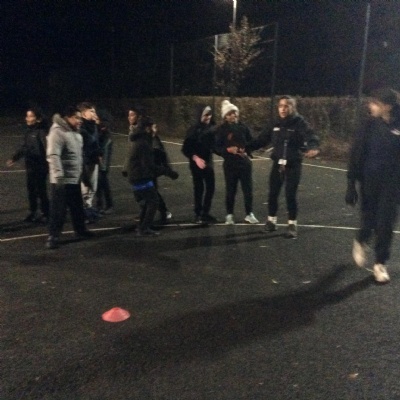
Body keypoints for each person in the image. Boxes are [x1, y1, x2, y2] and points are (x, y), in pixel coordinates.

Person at [346, 88, 400, 283]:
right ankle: (361, 240)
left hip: (392, 185)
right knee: (368, 221)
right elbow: (356, 154)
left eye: (375, 103)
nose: (371, 106)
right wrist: (351, 183)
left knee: (386, 223)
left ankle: (380, 263)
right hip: (369, 182)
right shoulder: (368, 125)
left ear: (388, 106)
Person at [249, 95, 320, 238]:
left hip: (293, 164)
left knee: (290, 194)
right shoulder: (274, 123)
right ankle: (271, 221)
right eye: (280, 106)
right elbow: (262, 139)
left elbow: (311, 136)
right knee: (273, 193)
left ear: (293, 107)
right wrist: (246, 148)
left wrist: (313, 147)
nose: (283, 109)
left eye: (286, 106)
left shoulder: (299, 123)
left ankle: (292, 225)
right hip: (277, 164)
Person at [122, 117, 179, 236]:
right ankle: (144, 228)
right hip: (140, 177)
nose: (155, 130)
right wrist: (168, 172)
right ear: (147, 129)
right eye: (154, 127)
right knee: (153, 201)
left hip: (137, 176)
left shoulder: (140, 140)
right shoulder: (144, 143)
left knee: (148, 202)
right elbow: (149, 165)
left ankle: (142, 227)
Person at [46, 106, 93, 249]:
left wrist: (84, 176)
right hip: (61, 180)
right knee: (58, 210)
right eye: (76, 118)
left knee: (77, 207)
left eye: (80, 118)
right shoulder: (57, 132)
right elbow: (53, 155)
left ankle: (80, 230)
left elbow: (78, 157)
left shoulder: (76, 133)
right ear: (67, 117)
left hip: (74, 178)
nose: (80, 120)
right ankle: (53, 236)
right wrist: (59, 177)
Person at [215, 99, 259, 225]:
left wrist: (247, 151)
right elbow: (216, 147)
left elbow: (251, 142)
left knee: (248, 190)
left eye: (234, 113)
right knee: (230, 190)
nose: (232, 115)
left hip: (244, 163)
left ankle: (249, 214)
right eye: (229, 114)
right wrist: (227, 150)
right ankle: (229, 215)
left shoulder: (243, 127)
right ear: (225, 116)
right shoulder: (221, 129)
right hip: (230, 164)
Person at [6, 107, 49, 222]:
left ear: (38, 119)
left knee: (41, 190)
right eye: (27, 116)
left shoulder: (41, 132)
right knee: (31, 190)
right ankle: (33, 212)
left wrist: (48, 164)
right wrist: (14, 158)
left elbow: (47, 149)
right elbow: (24, 148)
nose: (27, 118)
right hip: (31, 166)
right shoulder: (28, 132)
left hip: (40, 166)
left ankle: (46, 213)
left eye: (30, 116)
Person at [182, 105, 217, 224]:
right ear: (200, 115)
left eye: (210, 114)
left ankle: (205, 213)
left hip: (208, 163)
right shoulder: (193, 130)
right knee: (199, 188)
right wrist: (196, 158)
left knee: (211, 187)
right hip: (196, 164)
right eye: (205, 115)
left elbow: (215, 146)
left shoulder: (212, 128)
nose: (208, 117)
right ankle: (198, 214)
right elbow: (185, 149)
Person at [78, 102, 102, 223]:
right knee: (85, 187)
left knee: (93, 187)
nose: (94, 114)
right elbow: (90, 141)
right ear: (84, 114)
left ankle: (89, 207)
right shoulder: (82, 127)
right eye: (91, 111)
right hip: (85, 161)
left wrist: (99, 153)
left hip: (93, 160)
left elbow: (96, 141)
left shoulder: (92, 125)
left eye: (94, 111)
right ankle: (84, 212)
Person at [151, 122, 173, 224]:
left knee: (152, 192)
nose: (154, 129)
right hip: (149, 169)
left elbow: (162, 156)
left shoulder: (155, 141)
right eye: (153, 127)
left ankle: (164, 210)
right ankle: (161, 210)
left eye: (155, 127)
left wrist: (167, 169)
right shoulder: (148, 139)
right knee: (150, 191)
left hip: (152, 170)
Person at [95, 110, 114, 214]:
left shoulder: (105, 132)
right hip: (99, 158)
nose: (95, 119)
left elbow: (104, 148)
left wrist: (102, 164)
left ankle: (109, 205)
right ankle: (100, 205)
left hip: (102, 160)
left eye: (97, 118)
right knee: (98, 183)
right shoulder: (98, 129)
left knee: (103, 181)